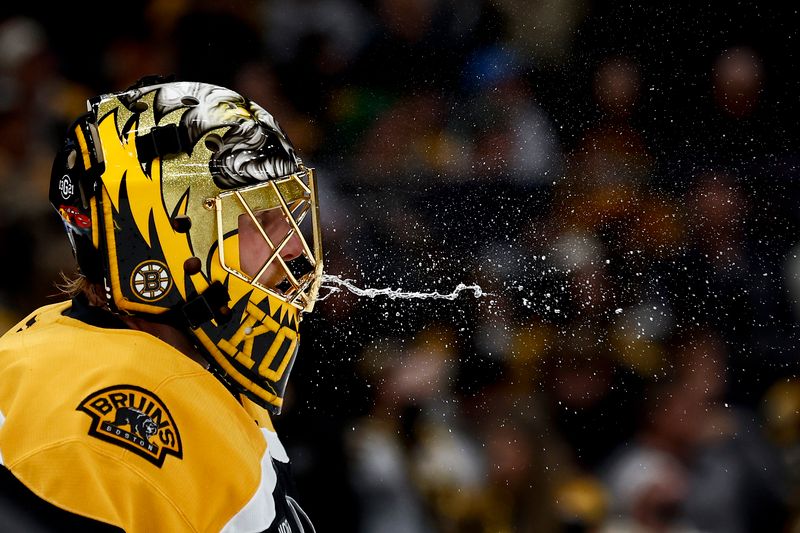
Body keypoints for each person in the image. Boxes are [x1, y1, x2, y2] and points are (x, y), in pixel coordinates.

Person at [0, 76, 324, 532]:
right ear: (171, 239)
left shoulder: (193, 362)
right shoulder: (105, 425)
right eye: (262, 217)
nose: (294, 248)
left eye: (291, 215)